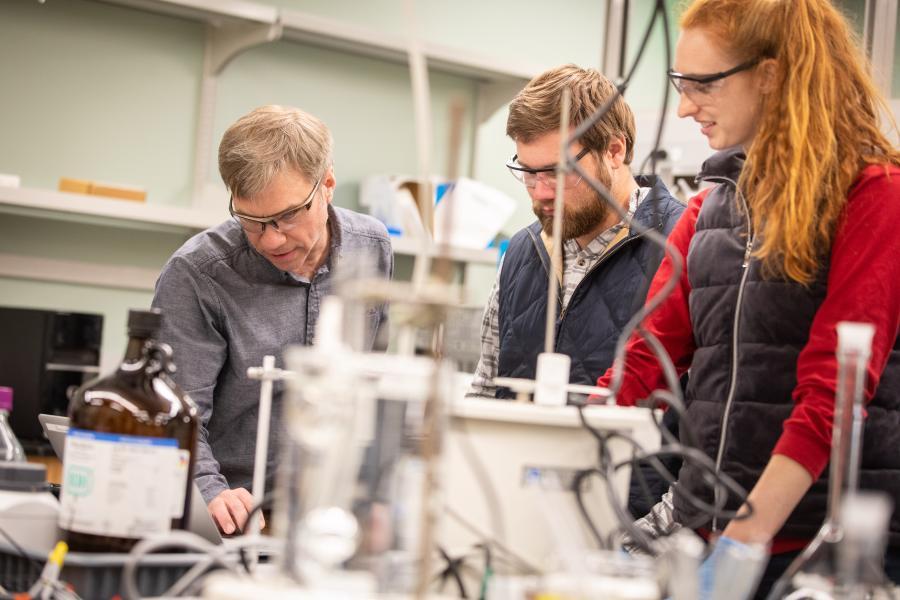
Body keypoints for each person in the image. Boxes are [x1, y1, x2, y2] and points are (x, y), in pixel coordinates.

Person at [596, 0, 900, 597]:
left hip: (823, 554)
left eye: (702, 83)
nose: (684, 106)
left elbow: (832, 395)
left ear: (773, 73)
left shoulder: (876, 196)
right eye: (679, 84)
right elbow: (644, 359)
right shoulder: (712, 209)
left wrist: (743, 541)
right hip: (712, 530)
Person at [152, 105, 393, 535]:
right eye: (251, 221)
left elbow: (370, 386)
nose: (271, 239)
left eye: (287, 216)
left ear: (328, 185)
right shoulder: (198, 274)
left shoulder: (371, 248)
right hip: (232, 517)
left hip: (331, 518)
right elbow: (177, 416)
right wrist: (210, 492)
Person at [467, 64, 684, 399]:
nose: (540, 192)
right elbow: (485, 388)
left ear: (614, 151)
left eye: (557, 172)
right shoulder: (523, 250)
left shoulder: (679, 243)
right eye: (528, 172)